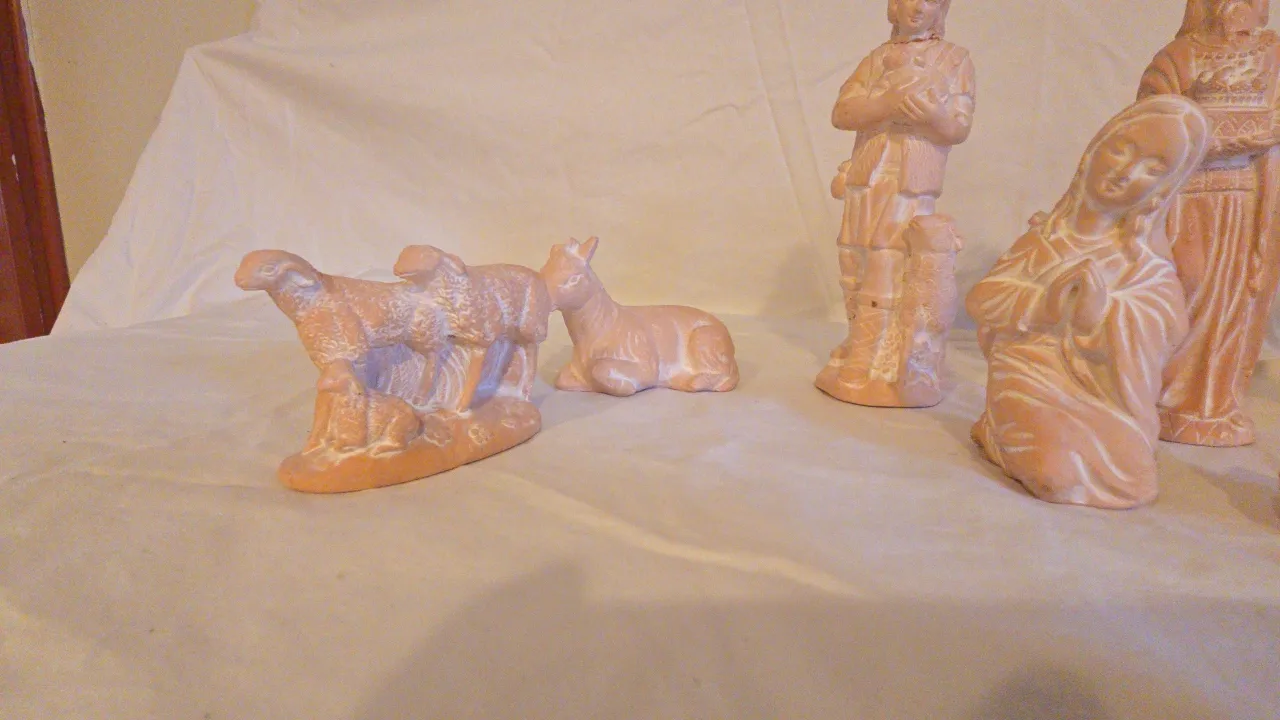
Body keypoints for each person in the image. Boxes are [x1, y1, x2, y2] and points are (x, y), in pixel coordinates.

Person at [967, 96, 1210, 509]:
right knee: (1056, 477)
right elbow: (982, 300)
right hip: (1027, 377)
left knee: (1134, 475)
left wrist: (1101, 315)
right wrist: (1044, 303)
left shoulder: (1145, 266)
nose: (1126, 172)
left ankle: (1007, 434)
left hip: (1103, 397)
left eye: (1153, 169)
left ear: (1161, 192)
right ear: (1093, 152)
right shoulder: (1045, 241)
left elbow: (1169, 330)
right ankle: (998, 431)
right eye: (1121, 149)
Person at [816, 0, 975, 405]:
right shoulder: (876, 59)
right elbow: (842, 112)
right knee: (854, 258)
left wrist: (932, 116)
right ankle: (859, 340)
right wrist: (884, 105)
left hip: (911, 181)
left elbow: (958, 127)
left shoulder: (954, 60)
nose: (917, 7)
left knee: (889, 261)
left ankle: (871, 359)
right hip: (867, 173)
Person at [1139, 0, 1280, 446]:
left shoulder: (1274, 55)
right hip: (1186, 198)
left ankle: (1213, 404)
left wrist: (1222, 131)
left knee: (1234, 300)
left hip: (1246, 201)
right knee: (1185, 284)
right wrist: (1248, 132)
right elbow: (1152, 126)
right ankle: (1162, 397)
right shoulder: (1178, 56)